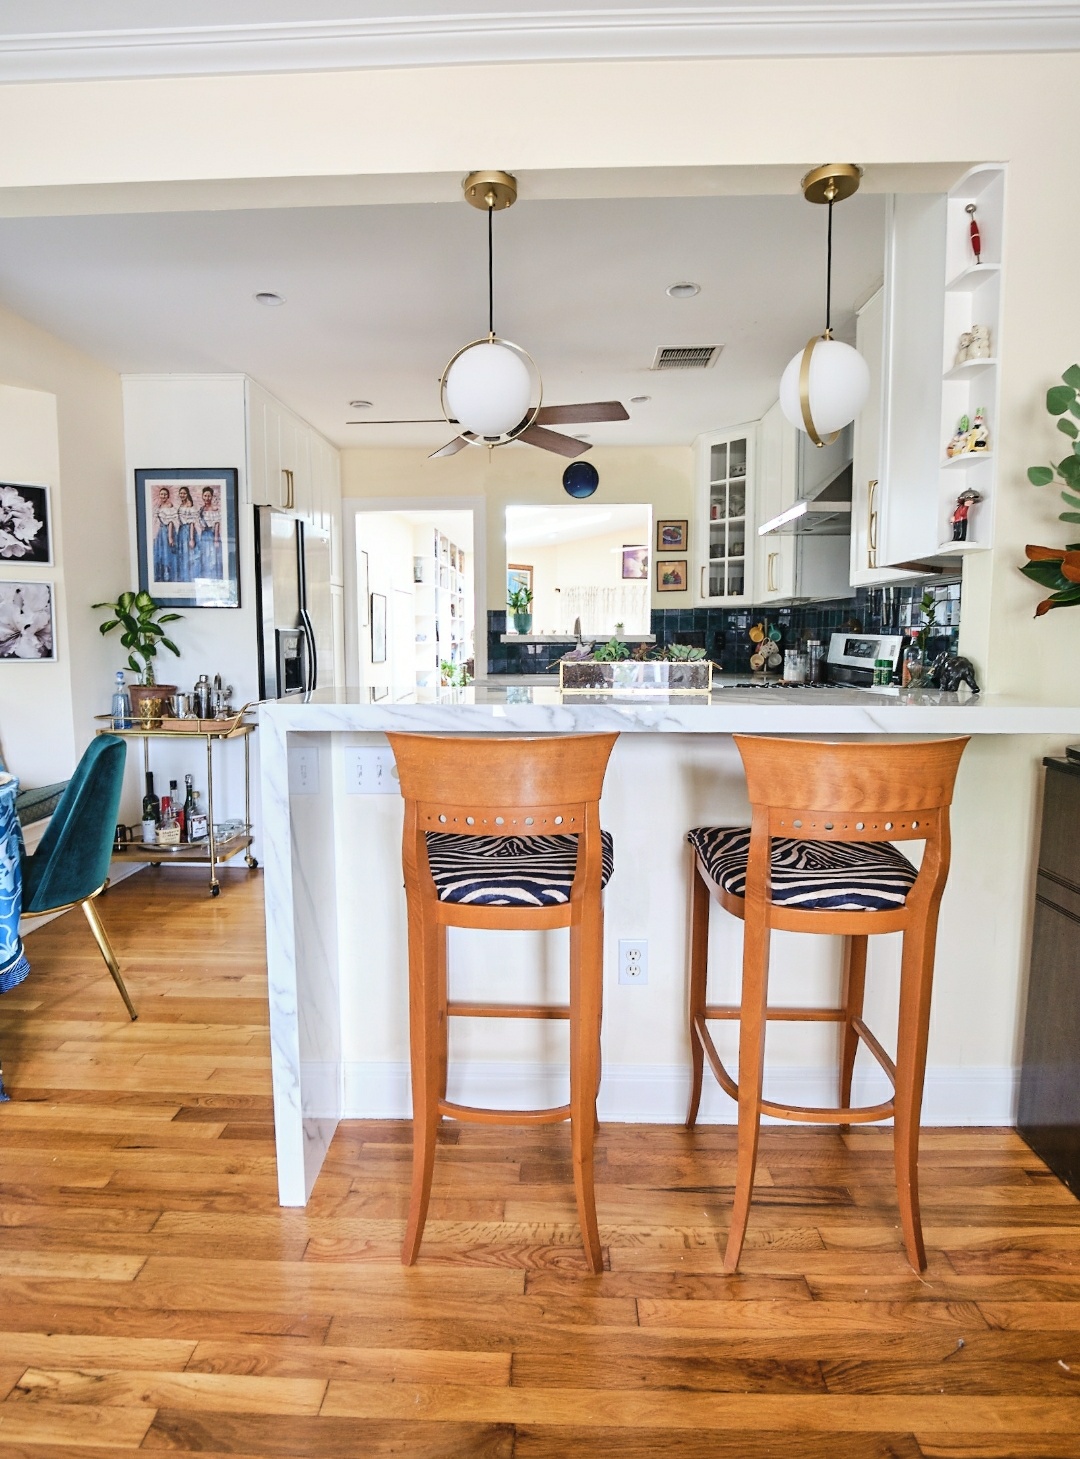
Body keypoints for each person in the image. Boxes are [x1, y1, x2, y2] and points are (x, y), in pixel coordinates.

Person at [152, 485, 178, 582]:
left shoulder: (169, 506)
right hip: (161, 532)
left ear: (168, 496)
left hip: (168, 531)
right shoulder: (158, 507)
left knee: (168, 553)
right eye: (161, 494)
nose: (163, 496)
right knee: (160, 553)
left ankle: (169, 575)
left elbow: (171, 522)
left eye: (165, 494)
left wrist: (170, 537)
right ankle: (161, 575)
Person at [197, 485, 222, 580]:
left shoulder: (215, 509)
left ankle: (213, 577)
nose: (207, 498)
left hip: (212, 535)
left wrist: (216, 540)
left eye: (209, 496)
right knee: (204, 558)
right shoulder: (201, 509)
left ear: (211, 496)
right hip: (204, 536)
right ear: (202, 496)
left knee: (212, 558)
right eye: (205, 496)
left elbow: (217, 525)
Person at [176, 485, 199, 582]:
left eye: (184, 493)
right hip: (181, 531)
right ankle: (183, 577)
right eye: (181, 493)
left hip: (188, 531)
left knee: (189, 555)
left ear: (187, 494)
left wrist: (191, 538)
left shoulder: (190, 505)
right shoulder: (181, 505)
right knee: (182, 554)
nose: (182, 495)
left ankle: (190, 578)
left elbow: (192, 523)